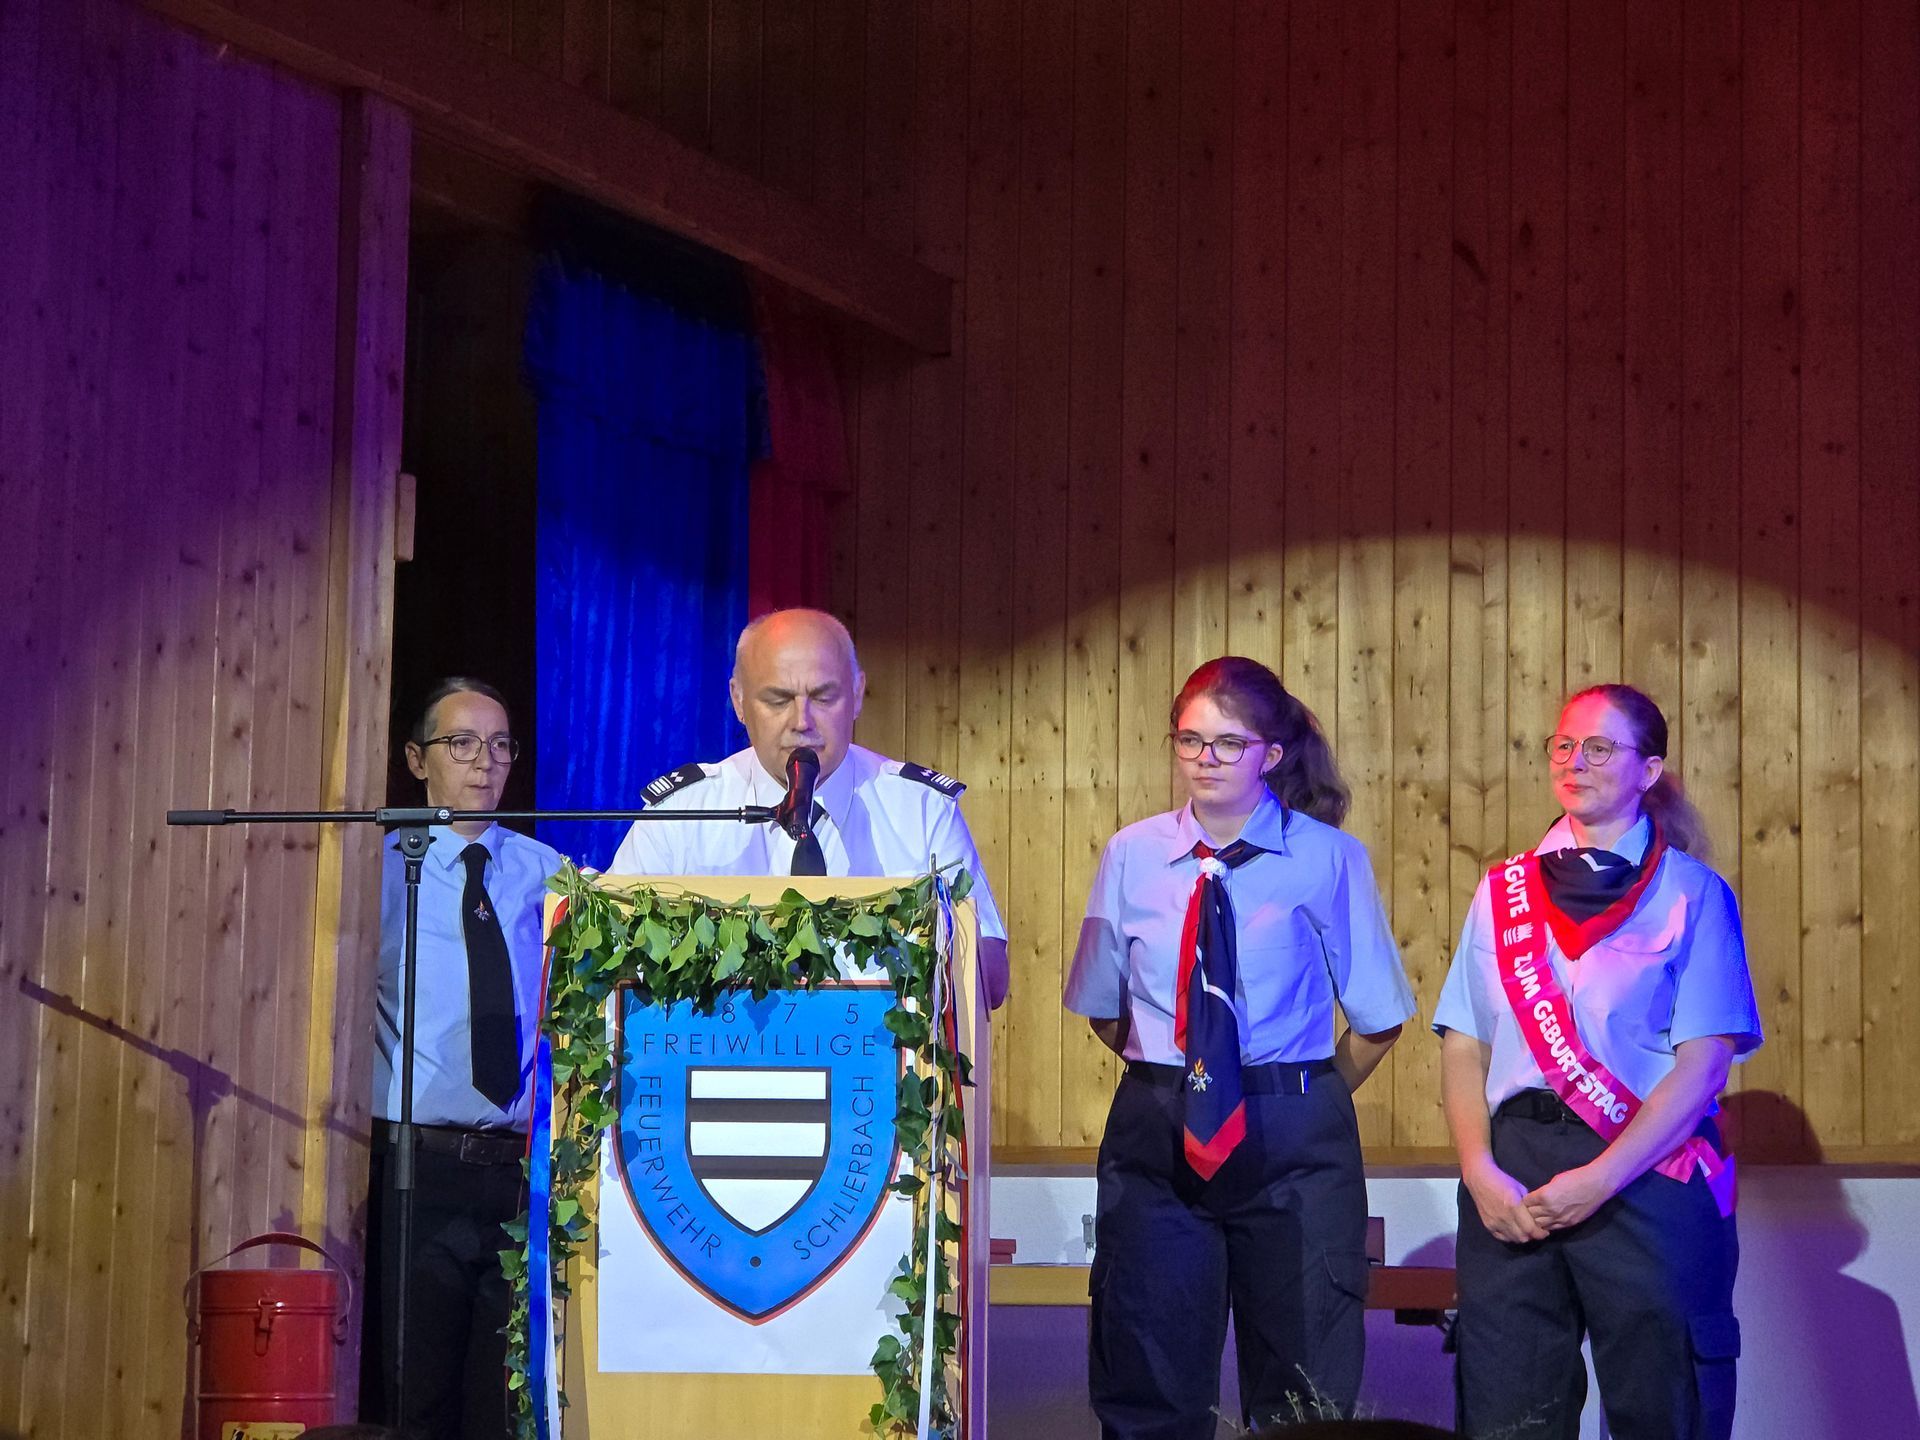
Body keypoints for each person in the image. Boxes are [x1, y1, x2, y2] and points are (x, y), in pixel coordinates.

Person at [1062, 656, 1415, 1439]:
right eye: (1190, 741)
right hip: (1161, 1129)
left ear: (1271, 754)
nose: (1205, 759)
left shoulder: (1326, 858)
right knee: (1148, 1374)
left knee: (1302, 1387)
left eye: (1228, 744)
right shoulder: (1132, 854)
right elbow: (1103, 1008)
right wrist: (1186, 1084)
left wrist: (1301, 1096)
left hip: (1291, 1137)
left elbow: (1379, 1018)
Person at [1433, 684, 1763, 1440]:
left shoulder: (1693, 893)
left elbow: (1704, 1065)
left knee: (1663, 1403)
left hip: (1646, 1168)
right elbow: (1465, 1043)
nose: (1575, 761)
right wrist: (1478, 1170)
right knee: (1508, 1409)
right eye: (1564, 745)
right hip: (1512, 1173)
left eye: (1601, 747)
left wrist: (1601, 1178)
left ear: (1649, 770)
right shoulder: (1502, 892)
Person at [607, 607, 1009, 1007]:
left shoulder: (921, 809)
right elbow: (608, 957)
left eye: (823, 697)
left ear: (857, 694)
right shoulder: (681, 813)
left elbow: (990, 980)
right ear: (739, 700)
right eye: (778, 700)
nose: (802, 721)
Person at [361, 678, 564, 1440]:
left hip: (515, 1173)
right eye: (463, 743)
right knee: (418, 1401)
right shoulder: (381, 872)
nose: (486, 761)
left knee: (501, 1406)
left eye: (501, 744)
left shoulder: (548, 872)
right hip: (420, 1170)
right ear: (418, 759)